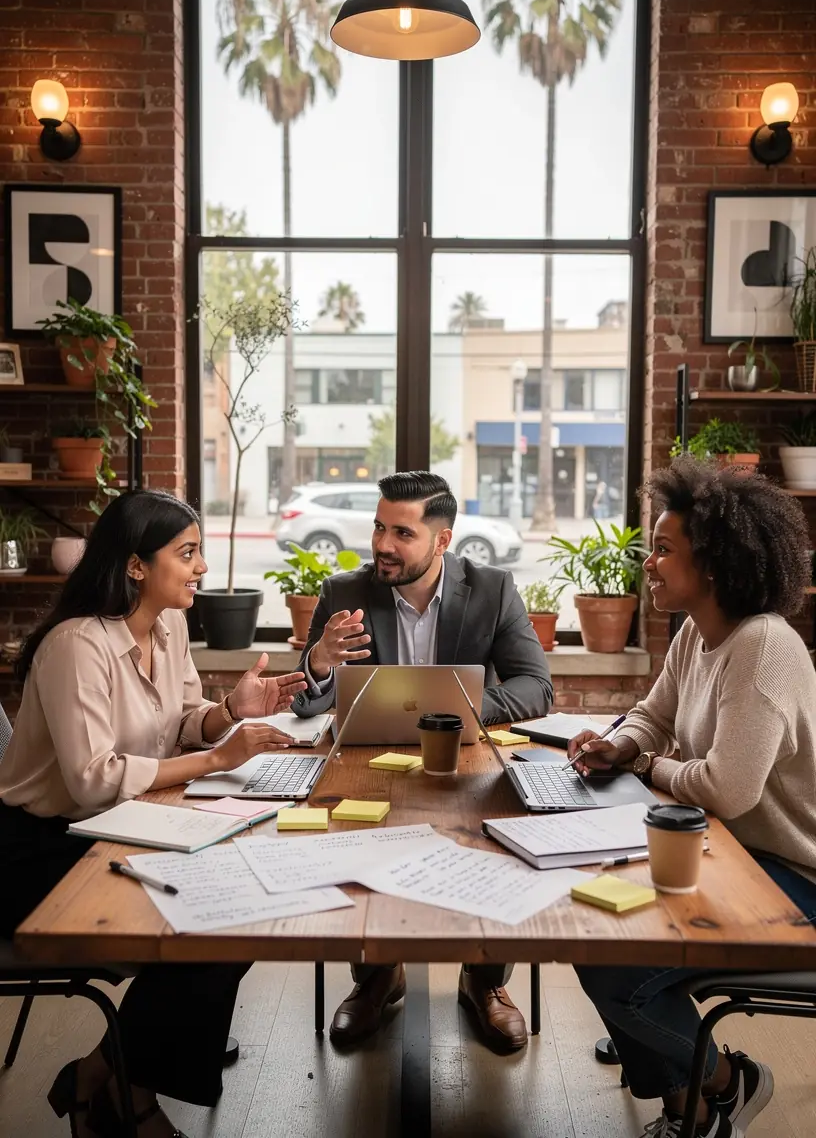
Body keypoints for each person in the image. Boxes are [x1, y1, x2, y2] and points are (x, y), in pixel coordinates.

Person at [0, 490, 307, 1138]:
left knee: (238, 910)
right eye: (187, 553)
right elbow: (91, 781)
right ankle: (128, 1099)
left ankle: (100, 1077)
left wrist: (230, 712)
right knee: (211, 924)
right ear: (136, 565)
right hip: (40, 851)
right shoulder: (75, 645)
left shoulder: (169, 626)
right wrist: (215, 760)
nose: (201, 568)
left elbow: (180, 724)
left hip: (120, 826)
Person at [566, 456, 816, 1138]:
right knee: (598, 930)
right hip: (731, 860)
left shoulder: (761, 646)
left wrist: (646, 764)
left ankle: (724, 1083)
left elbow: (726, 789)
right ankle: (695, 1105)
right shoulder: (696, 634)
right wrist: (619, 745)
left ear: (712, 563)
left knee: (618, 972)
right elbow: (652, 716)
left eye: (664, 549)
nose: (649, 563)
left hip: (794, 882)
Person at [293, 471, 553, 1054]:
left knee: (498, 831)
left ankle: (484, 979)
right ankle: (378, 976)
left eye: (402, 533)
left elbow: (537, 686)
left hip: (465, 763)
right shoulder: (344, 592)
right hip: (366, 767)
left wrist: (459, 708)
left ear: (442, 540)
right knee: (349, 830)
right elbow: (306, 703)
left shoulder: (491, 588)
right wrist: (320, 662)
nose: (382, 545)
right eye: (379, 528)